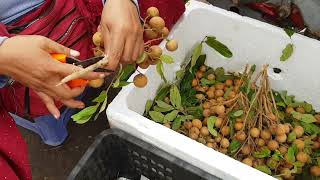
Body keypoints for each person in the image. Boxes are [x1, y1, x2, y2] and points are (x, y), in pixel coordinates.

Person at [0, 0, 185, 179]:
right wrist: (4, 55)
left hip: (75, 17)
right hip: (15, 46)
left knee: (88, 58)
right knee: (43, 95)